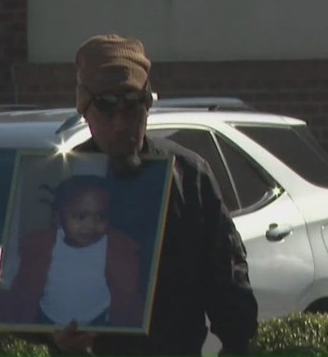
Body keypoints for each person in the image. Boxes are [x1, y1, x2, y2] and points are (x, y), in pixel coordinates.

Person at [45, 34, 259, 355]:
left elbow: (227, 278)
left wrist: (236, 343)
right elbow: (28, 287)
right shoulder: (60, 180)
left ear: (148, 109)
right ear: (85, 113)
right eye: (107, 112)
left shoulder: (187, 175)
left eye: (132, 110)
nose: (121, 125)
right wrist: (53, 335)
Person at [0, 174, 145, 329]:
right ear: (58, 217)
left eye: (100, 217)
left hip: (97, 318)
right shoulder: (42, 246)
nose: (90, 226)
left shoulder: (115, 248)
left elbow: (128, 290)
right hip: (48, 316)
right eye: (80, 217)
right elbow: (25, 285)